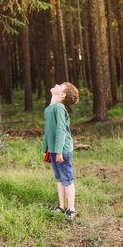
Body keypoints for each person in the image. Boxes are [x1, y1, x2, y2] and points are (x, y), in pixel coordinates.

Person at [43, 82, 79, 221]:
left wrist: (58, 151)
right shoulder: (49, 108)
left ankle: (71, 209)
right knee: (59, 179)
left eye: (60, 85)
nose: (56, 84)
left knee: (67, 179)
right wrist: (46, 149)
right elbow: (48, 131)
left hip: (62, 149)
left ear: (62, 94)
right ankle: (61, 206)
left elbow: (61, 131)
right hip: (53, 149)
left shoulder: (59, 107)